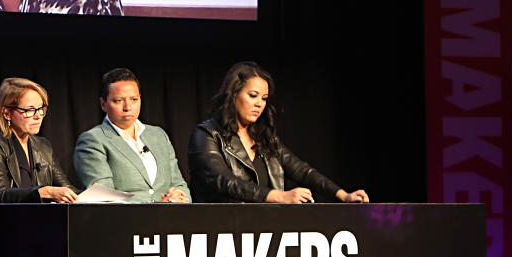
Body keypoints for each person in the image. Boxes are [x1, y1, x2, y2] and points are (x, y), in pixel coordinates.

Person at [188, 61, 369, 204]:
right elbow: (224, 181)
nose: (259, 103)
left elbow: (302, 171)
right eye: (253, 95)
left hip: (266, 228)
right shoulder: (207, 135)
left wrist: (343, 195)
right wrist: (278, 196)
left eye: (264, 98)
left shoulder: (262, 137)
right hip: (222, 231)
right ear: (234, 94)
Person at [0, 77, 79, 257]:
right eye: (29, 110)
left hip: (28, 235)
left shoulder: (43, 146)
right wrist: (43, 192)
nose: (38, 116)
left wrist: (99, 198)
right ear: (7, 113)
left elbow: (66, 188)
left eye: (41, 108)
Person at [73, 68, 189, 202]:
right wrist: (157, 208)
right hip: (124, 221)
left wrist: (179, 198)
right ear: (103, 104)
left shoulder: (158, 135)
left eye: (134, 99)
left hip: (171, 218)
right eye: (118, 101)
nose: (127, 107)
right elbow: (104, 198)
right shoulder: (93, 140)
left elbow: (180, 185)